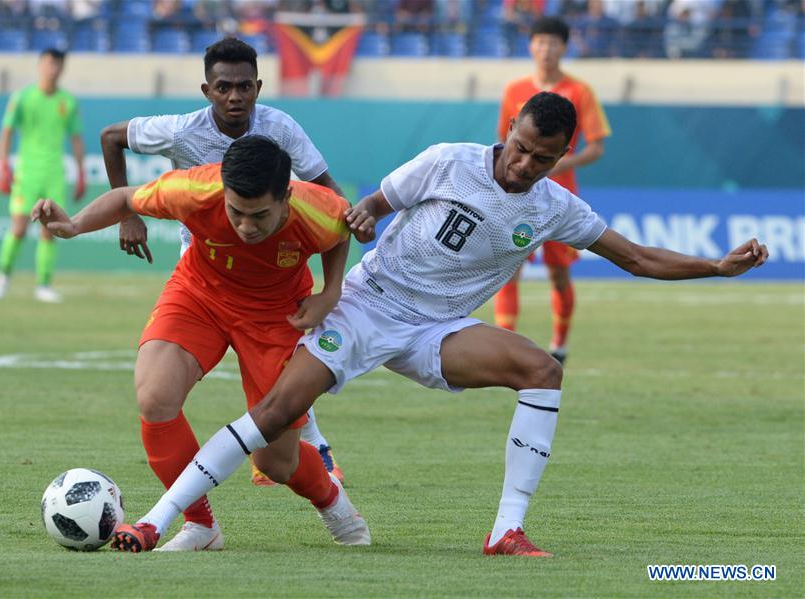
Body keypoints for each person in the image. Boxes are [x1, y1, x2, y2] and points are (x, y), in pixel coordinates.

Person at [106, 92, 768, 555]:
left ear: (564, 155)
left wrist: (715, 265)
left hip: (437, 330)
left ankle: (505, 531)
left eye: (542, 158)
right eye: (520, 147)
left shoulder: (556, 206)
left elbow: (637, 255)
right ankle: (161, 519)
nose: (523, 165)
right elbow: (368, 205)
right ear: (510, 127)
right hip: (368, 304)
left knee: (541, 368)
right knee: (277, 413)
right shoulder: (449, 159)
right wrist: (360, 222)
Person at [32, 135, 371, 552]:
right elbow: (125, 199)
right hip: (200, 294)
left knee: (275, 462)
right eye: (235, 212)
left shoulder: (320, 208)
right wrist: (74, 226)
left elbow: (340, 235)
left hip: (276, 315)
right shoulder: (194, 189)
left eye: (260, 216)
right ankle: (200, 526)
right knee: (155, 398)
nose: (246, 226)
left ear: (286, 196)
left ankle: (334, 503)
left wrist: (331, 291)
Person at [100, 36, 346, 487]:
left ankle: (309, 446)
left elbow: (329, 192)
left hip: (271, 269)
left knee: (275, 371)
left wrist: (336, 265)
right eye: (224, 87)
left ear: (258, 87)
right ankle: (201, 515)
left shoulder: (281, 128)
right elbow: (112, 137)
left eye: (245, 87)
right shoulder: (181, 129)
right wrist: (128, 217)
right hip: (204, 266)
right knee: (161, 390)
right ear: (206, 90)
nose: (235, 97)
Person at [492, 16, 611, 364]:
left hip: (559, 201)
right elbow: (503, 141)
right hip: (517, 196)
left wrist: (557, 165)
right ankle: (504, 344)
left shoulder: (579, 91)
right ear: (531, 46)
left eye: (553, 43)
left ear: (564, 47)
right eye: (540, 42)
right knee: (507, 269)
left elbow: (596, 146)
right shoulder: (514, 91)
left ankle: (559, 345)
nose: (546, 49)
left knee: (558, 274)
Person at [0, 48, 85, 303]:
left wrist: (81, 171)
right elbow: (6, 132)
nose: (54, 69)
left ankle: (43, 284)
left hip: (54, 174)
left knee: (49, 230)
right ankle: (3, 277)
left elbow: (75, 138)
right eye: (50, 63)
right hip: (27, 173)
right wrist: (3, 165)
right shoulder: (22, 97)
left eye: (59, 65)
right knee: (18, 228)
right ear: (41, 64)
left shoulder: (68, 101)